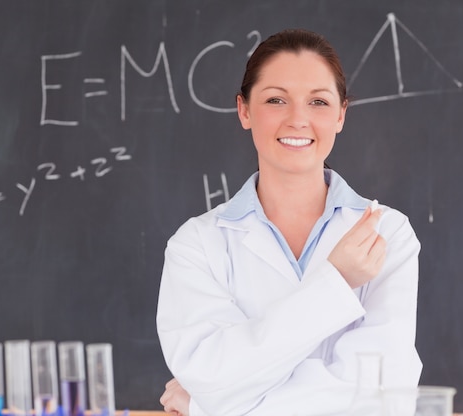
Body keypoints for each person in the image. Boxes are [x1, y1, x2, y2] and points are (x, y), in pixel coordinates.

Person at [156, 28, 422, 416]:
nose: (298, 119)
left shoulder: (386, 233)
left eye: (318, 101)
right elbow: (210, 377)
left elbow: (381, 395)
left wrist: (208, 406)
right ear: (244, 110)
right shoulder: (196, 245)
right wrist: (337, 281)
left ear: (341, 114)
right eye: (276, 100)